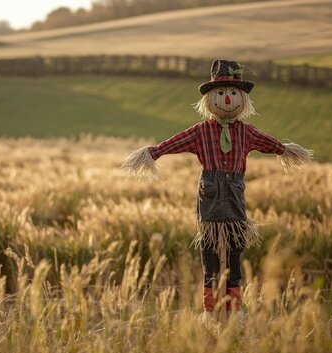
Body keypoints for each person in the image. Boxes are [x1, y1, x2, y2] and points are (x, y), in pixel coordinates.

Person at [121, 59, 313, 321]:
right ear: (209, 99)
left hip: (234, 197)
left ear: (242, 99)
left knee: (234, 252)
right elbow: (174, 142)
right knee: (210, 254)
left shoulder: (247, 132)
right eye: (221, 93)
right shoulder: (200, 131)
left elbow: (270, 143)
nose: (226, 99)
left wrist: (286, 150)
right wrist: (152, 153)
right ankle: (211, 311)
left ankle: (234, 311)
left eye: (233, 93)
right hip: (209, 197)